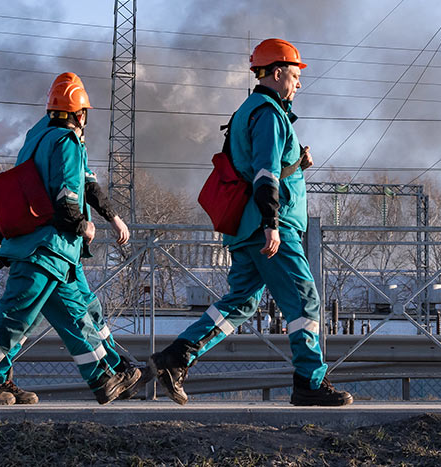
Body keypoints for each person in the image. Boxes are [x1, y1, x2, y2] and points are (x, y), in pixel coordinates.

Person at [149, 38, 352, 407]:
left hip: (245, 227)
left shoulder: (249, 111)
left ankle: (177, 357)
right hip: (268, 228)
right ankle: (309, 381)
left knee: (241, 302)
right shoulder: (270, 114)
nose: (299, 83)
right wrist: (272, 223)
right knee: (305, 301)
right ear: (277, 73)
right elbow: (264, 175)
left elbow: (261, 168)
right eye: (295, 75)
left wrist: (297, 166)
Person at [0, 72, 142, 405]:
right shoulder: (68, 143)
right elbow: (68, 200)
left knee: (78, 312)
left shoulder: (37, 136)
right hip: (47, 248)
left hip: (47, 249)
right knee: (18, 316)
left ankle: (108, 374)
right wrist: (85, 225)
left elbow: (20, 190)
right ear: (81, 113)